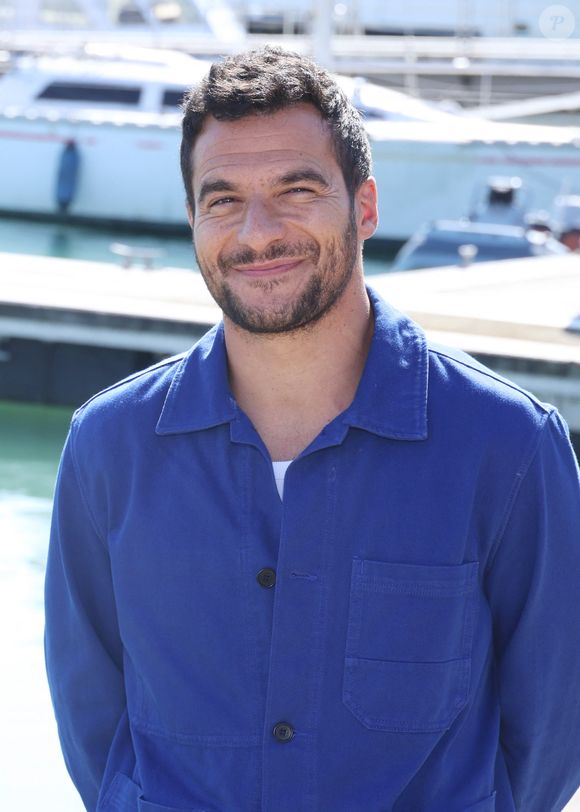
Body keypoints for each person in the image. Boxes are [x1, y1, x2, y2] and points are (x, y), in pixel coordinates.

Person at [45, 47, 580, 812]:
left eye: (296, 189)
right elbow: (93, 725)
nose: (257, 232)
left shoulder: (510, 446)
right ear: (193, 220)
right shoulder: (108, 447)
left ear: (365, 207)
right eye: (223, 199)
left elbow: (552, 733)